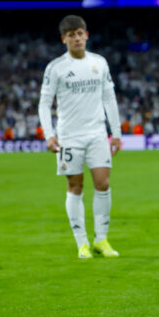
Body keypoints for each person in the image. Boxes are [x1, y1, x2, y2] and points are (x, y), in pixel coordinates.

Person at [38, 15, 122, 259]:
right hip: (69, 137)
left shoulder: (100, 63)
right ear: (64, 39)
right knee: (75, 187)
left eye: (80, 33)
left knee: (103, 183)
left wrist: (115, 133)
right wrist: (49, 135)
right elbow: (44, 103)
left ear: (87, 35)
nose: (77, 38)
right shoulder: (56, 68)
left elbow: (109, 99)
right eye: (71, 35)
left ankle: (102, 239)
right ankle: (82, 242)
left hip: (97, 134)